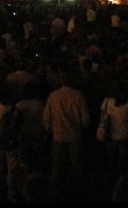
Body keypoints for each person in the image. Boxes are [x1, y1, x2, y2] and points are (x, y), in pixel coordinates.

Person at [42, 70, 91, 200]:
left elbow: (46, 117)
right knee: (76, 167)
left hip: (58, 136)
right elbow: (85, 120)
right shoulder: (78, 95)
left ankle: (56, 194)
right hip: (74, 136)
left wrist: (49, 129)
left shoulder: (53, 96)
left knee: (57, 168)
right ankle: (76, 193)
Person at [99, 81, 128, 192]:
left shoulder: (106, 101)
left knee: (110, 163)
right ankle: (120, 188)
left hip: (110, 137)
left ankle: (107, 186)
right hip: (125, 137)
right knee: (122, 165)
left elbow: (102, 117)